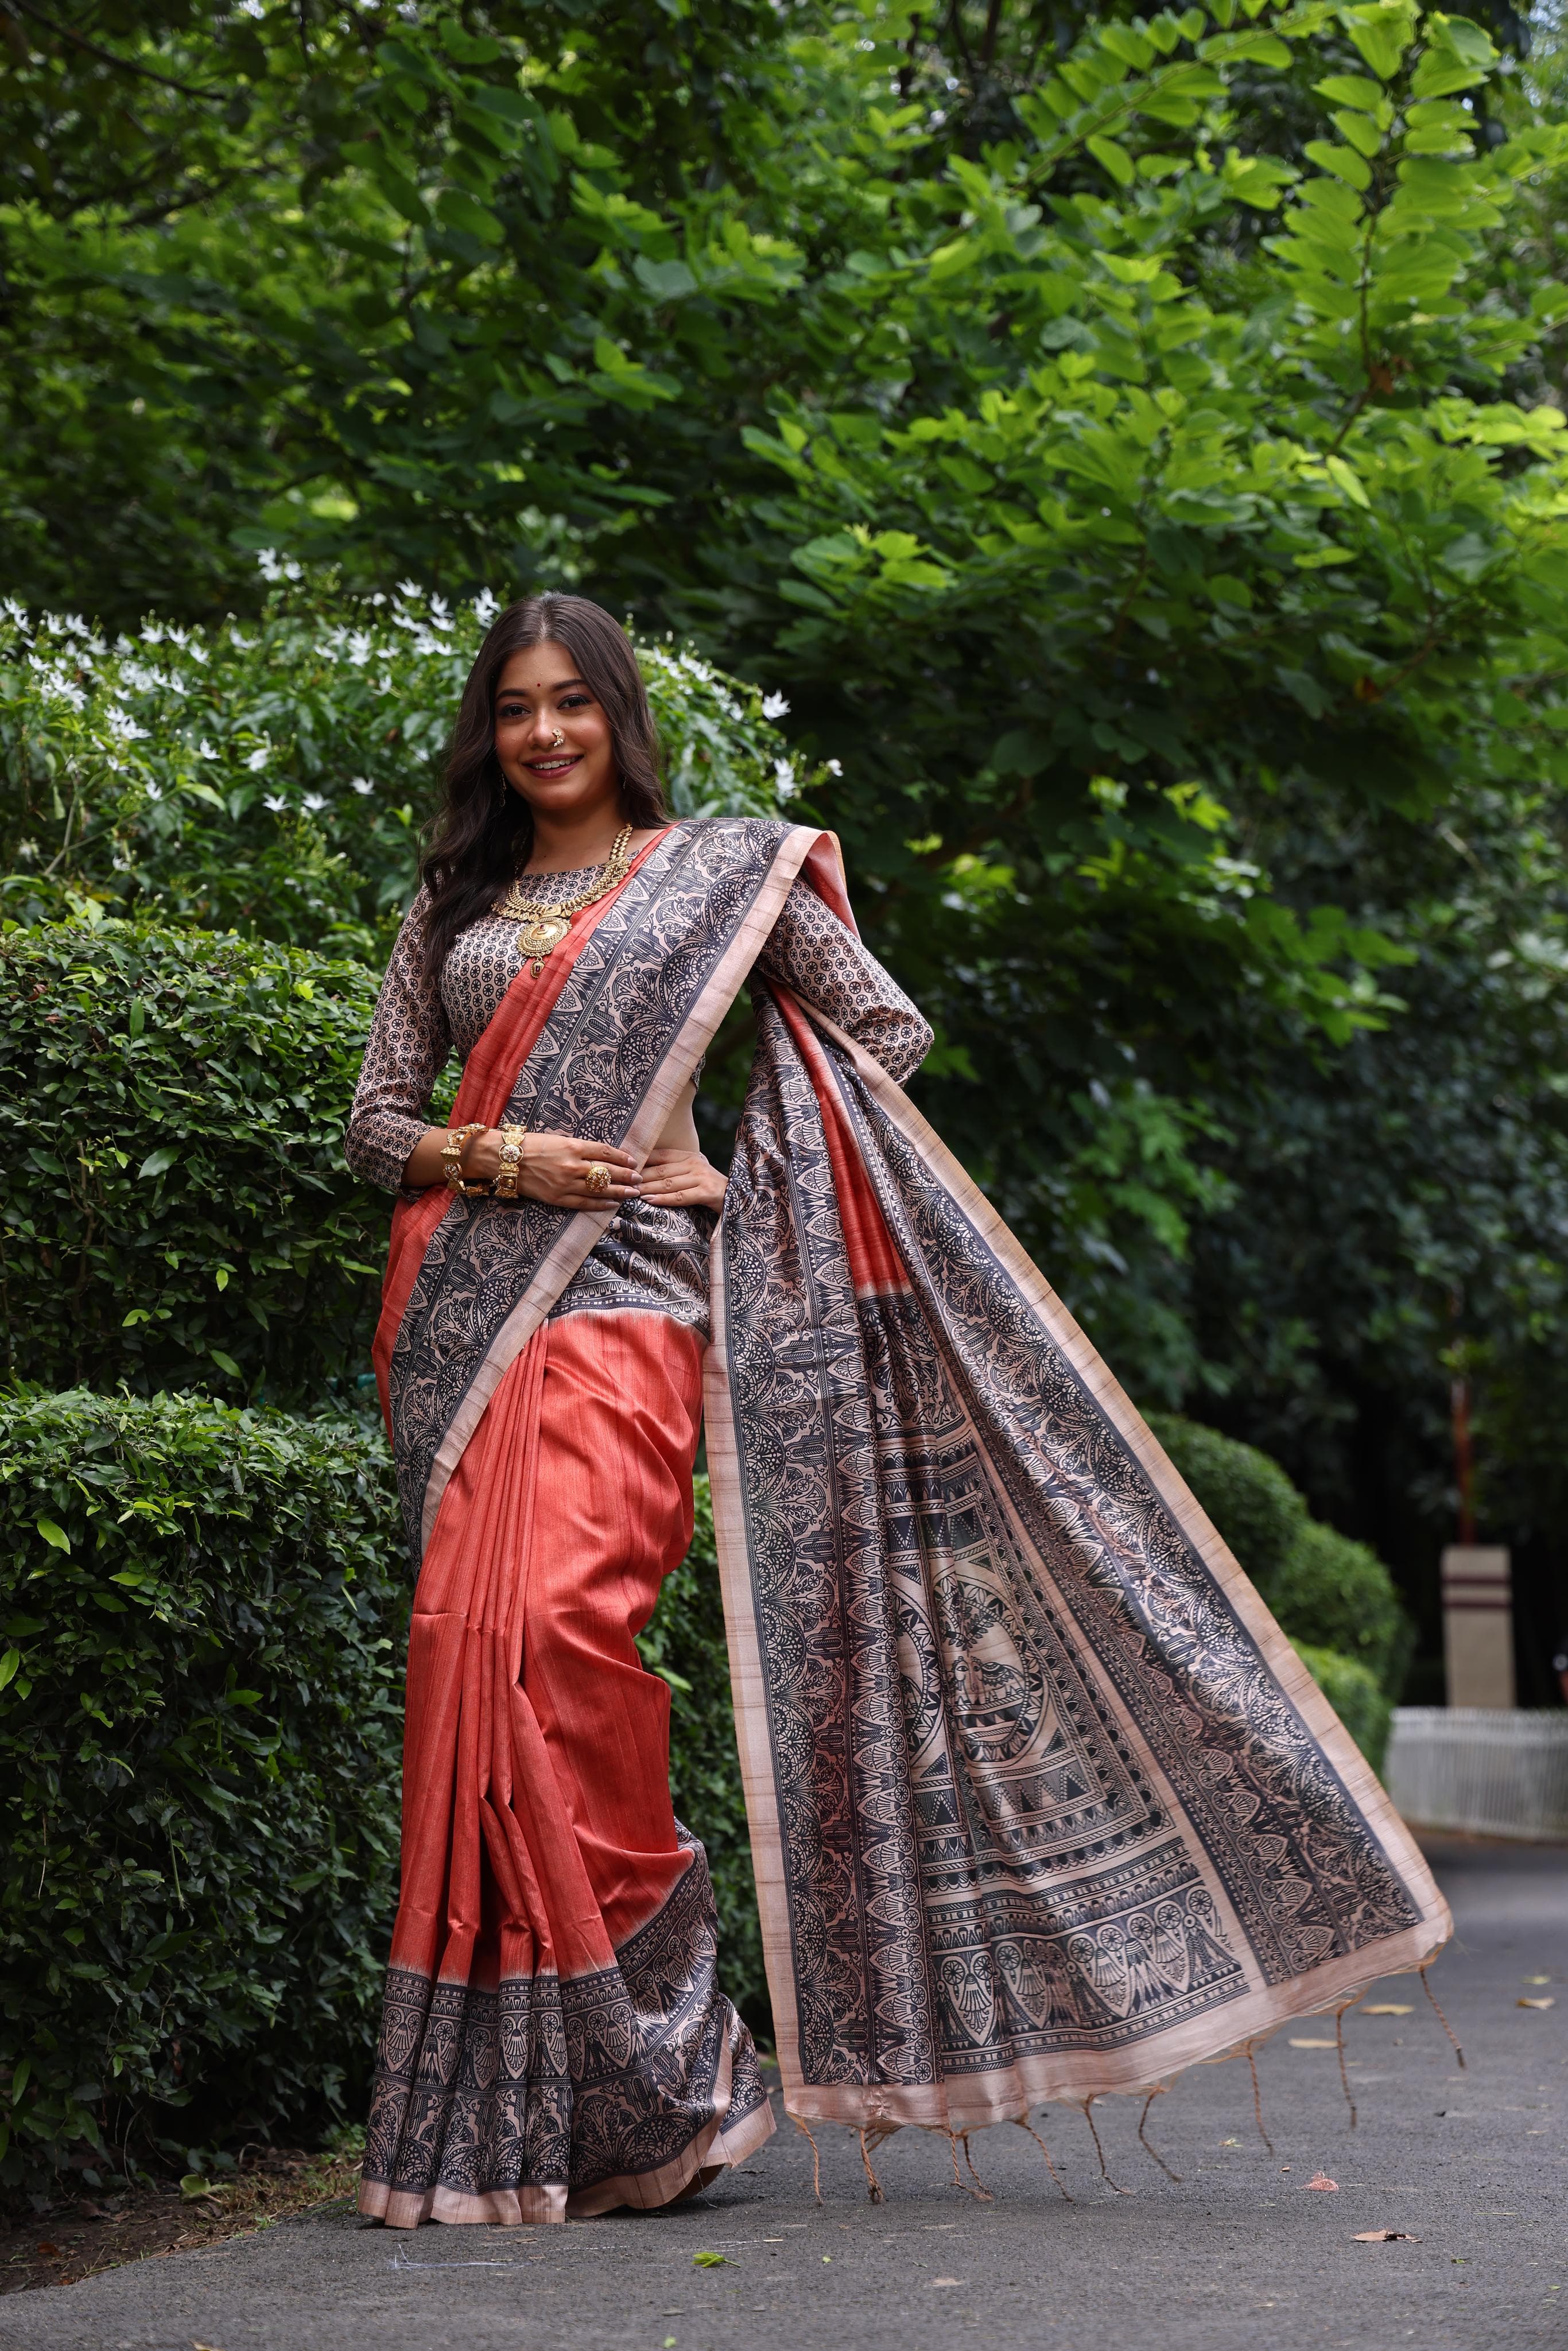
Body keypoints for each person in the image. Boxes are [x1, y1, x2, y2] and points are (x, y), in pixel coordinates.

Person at [348, 592, 1451, 2228]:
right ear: (487, 731)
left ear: (619, 719)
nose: (546, 733)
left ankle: (663, 2058)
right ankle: (563, 2110)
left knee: (562, 1645)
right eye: (515, 708)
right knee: (466, 1663)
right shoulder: (455, 901)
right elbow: (378, 1123)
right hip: (465, 1321)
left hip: (635, 1304)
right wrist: (502, 1156)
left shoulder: (718, 876)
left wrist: (730, 1176)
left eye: (574, 702)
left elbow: (880, 1031)